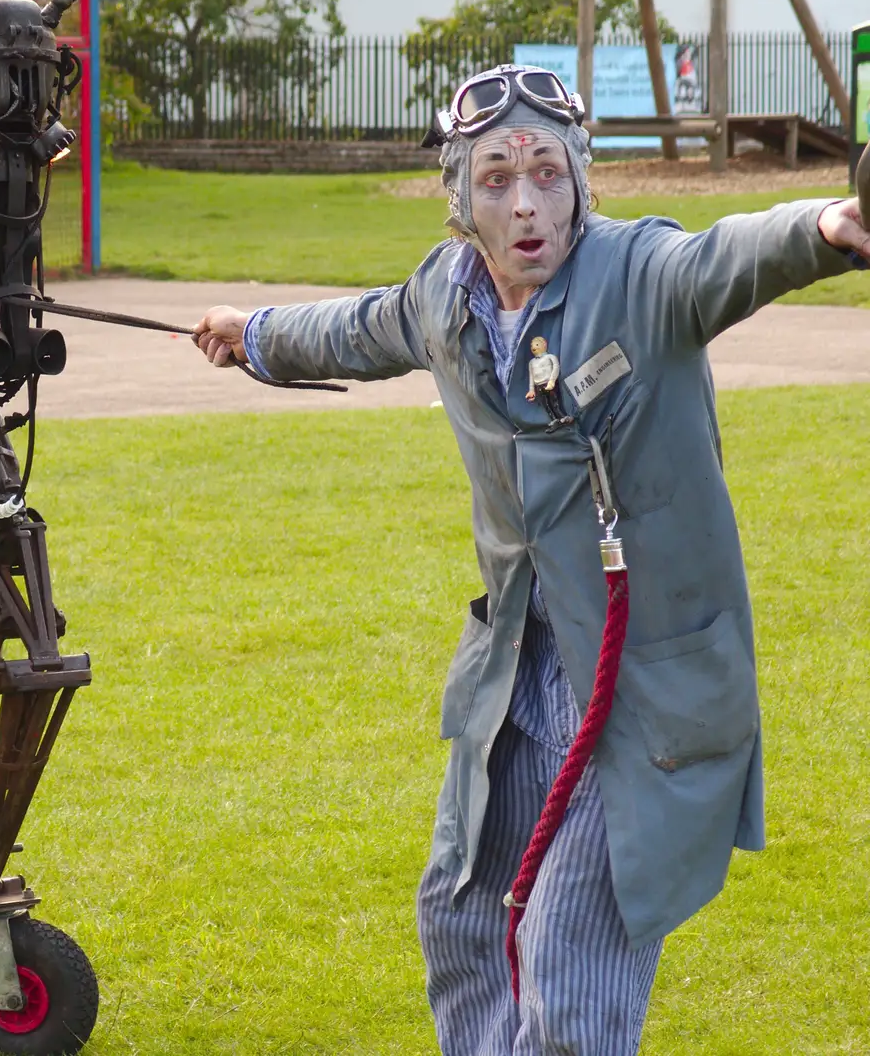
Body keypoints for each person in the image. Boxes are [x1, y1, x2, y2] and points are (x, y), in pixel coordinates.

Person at [191, 65, 870, 1055]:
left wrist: (825, 226)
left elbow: (730, 255)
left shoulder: (639, 275)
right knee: (461, 907)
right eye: (499, 178)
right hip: (514, 673)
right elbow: (354, 326)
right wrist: (248, 333)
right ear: (459, 193)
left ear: (581, 183)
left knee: (567, 951)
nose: (526, 205)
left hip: (641, 679)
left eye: (548, 174)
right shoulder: (446, 296)